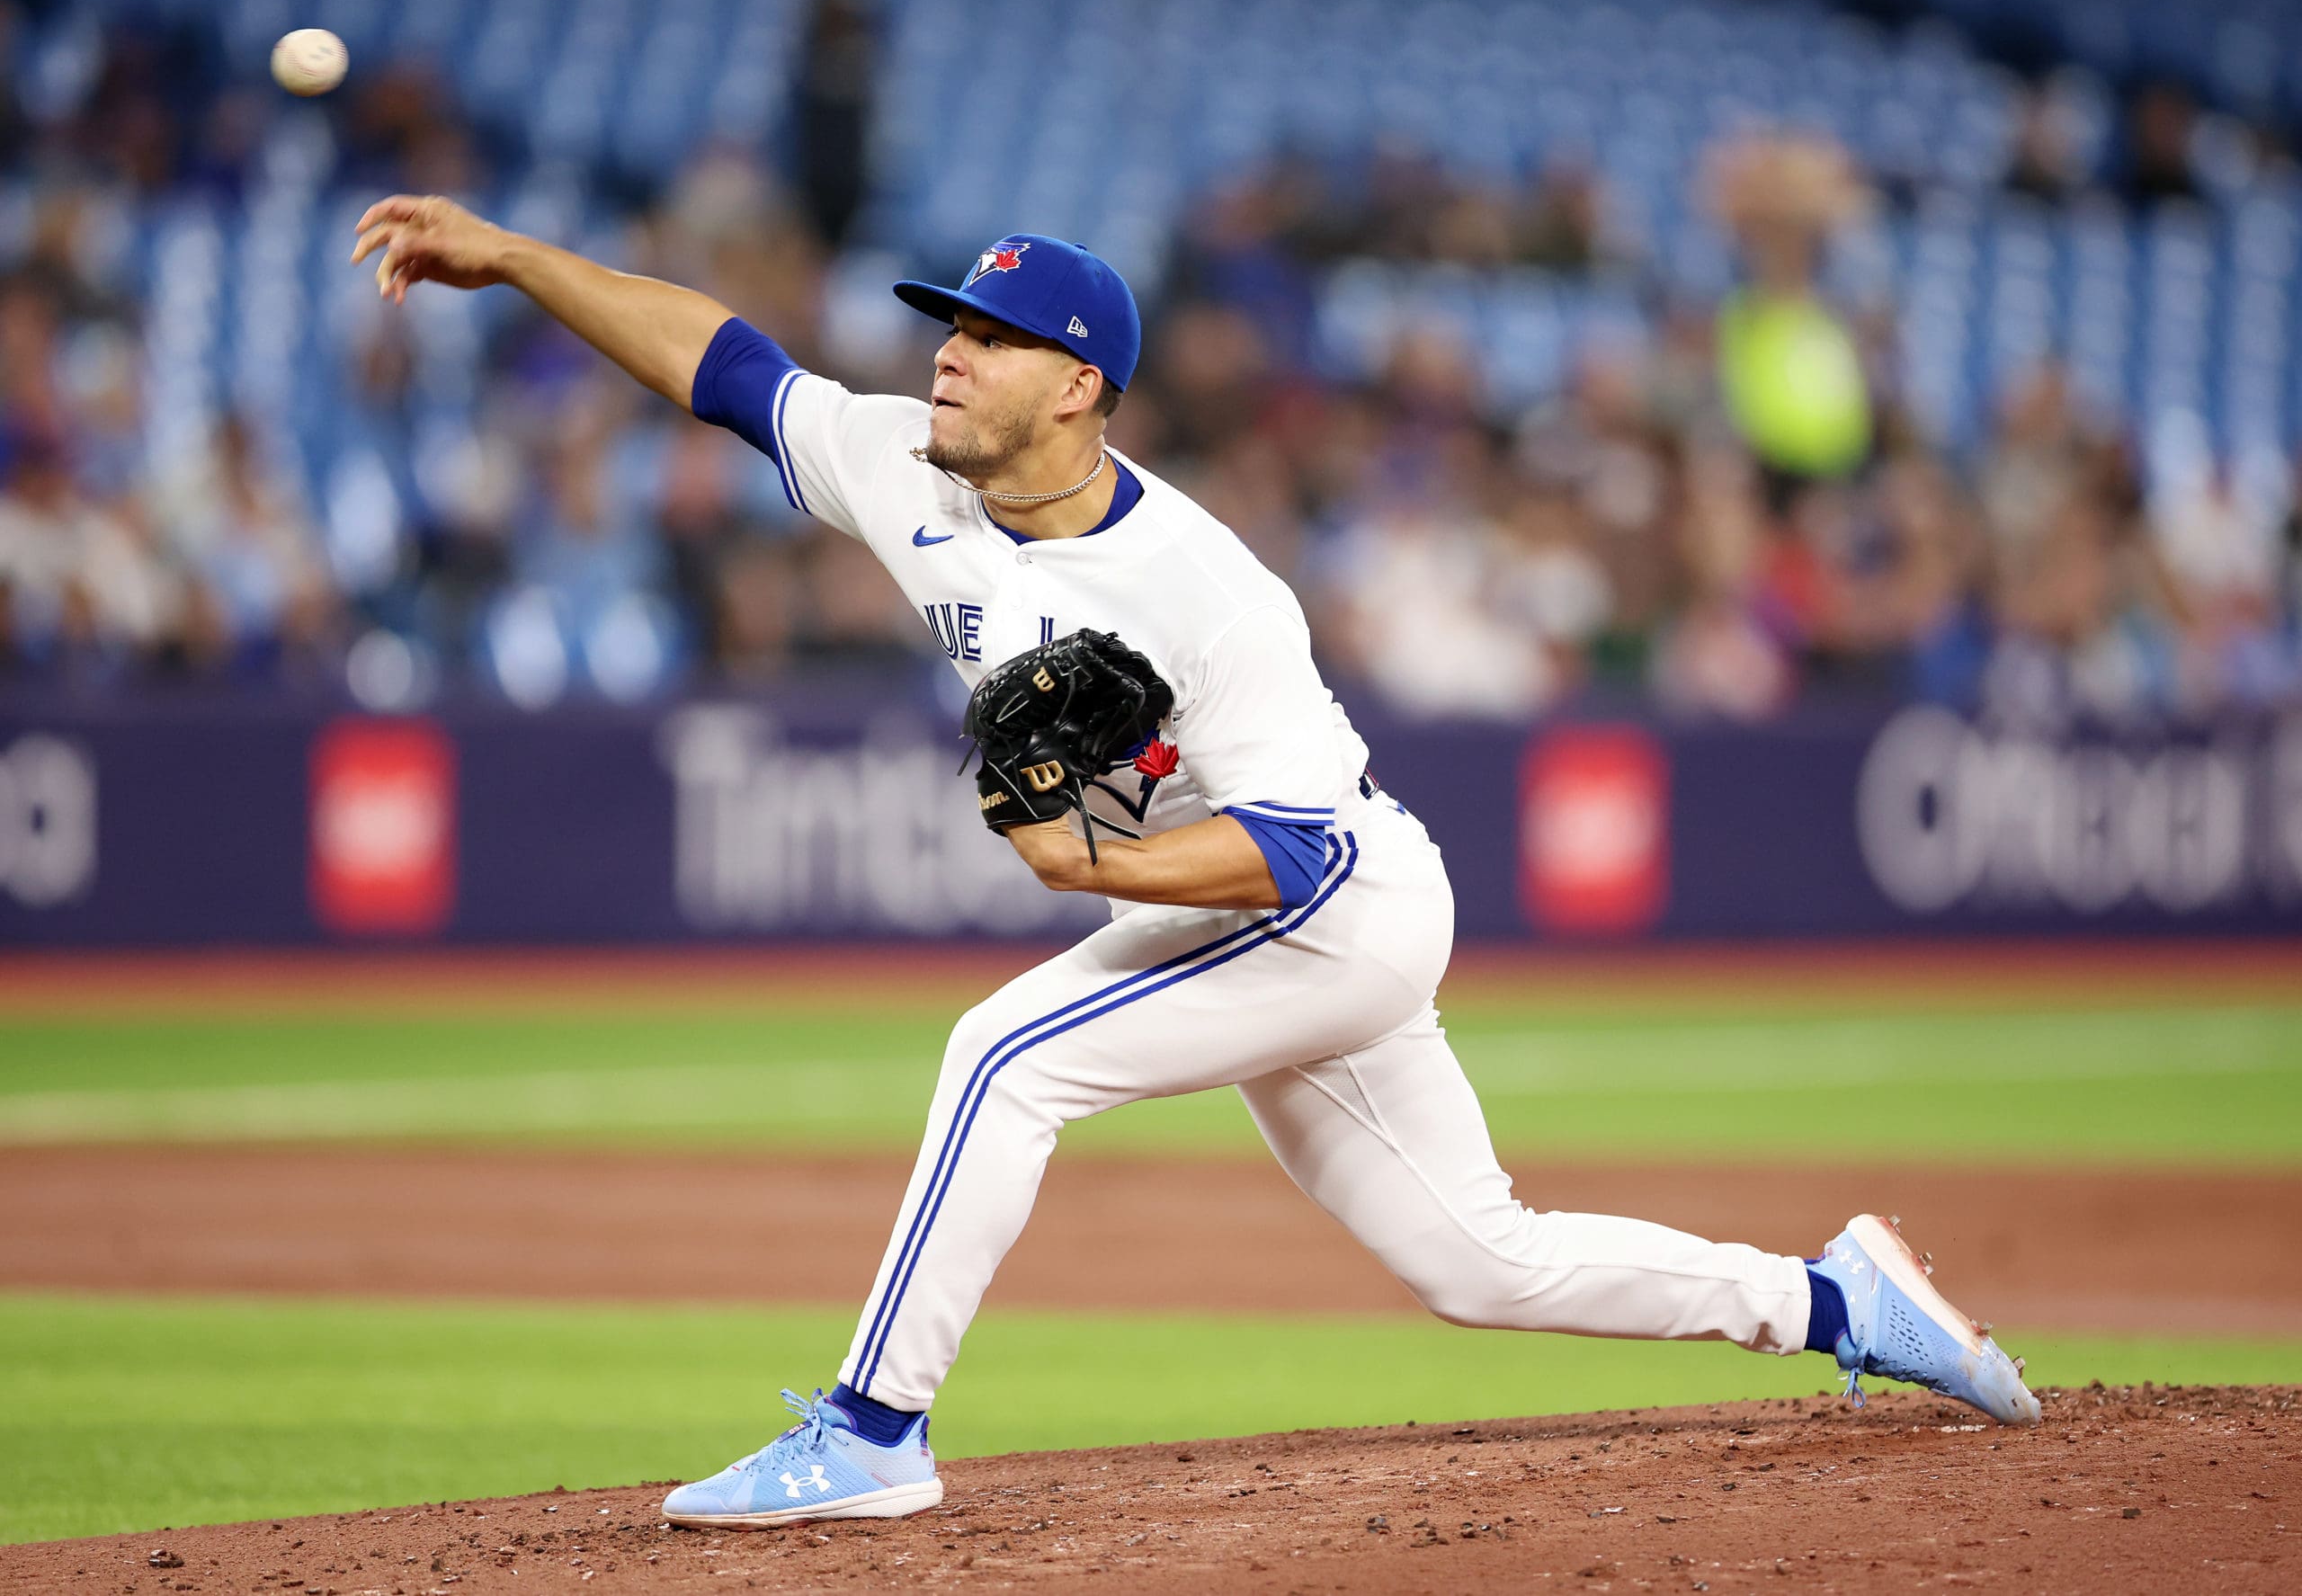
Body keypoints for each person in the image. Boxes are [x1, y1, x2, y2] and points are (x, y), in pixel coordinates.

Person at [351, 197, 2041, 1529]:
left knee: (1002, 1053)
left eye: (988, 338)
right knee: (1481, 1260)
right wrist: (509, 259)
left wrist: (1076, 860)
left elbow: (1294, 857)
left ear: (1077, 385)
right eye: (945, 324)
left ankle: (873, 1429)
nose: (943, 355)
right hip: (1263, 911)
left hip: (1343, 909)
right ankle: (1835, 1301)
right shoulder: (904, 471)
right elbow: (722, 365)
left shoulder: (1206, 586)